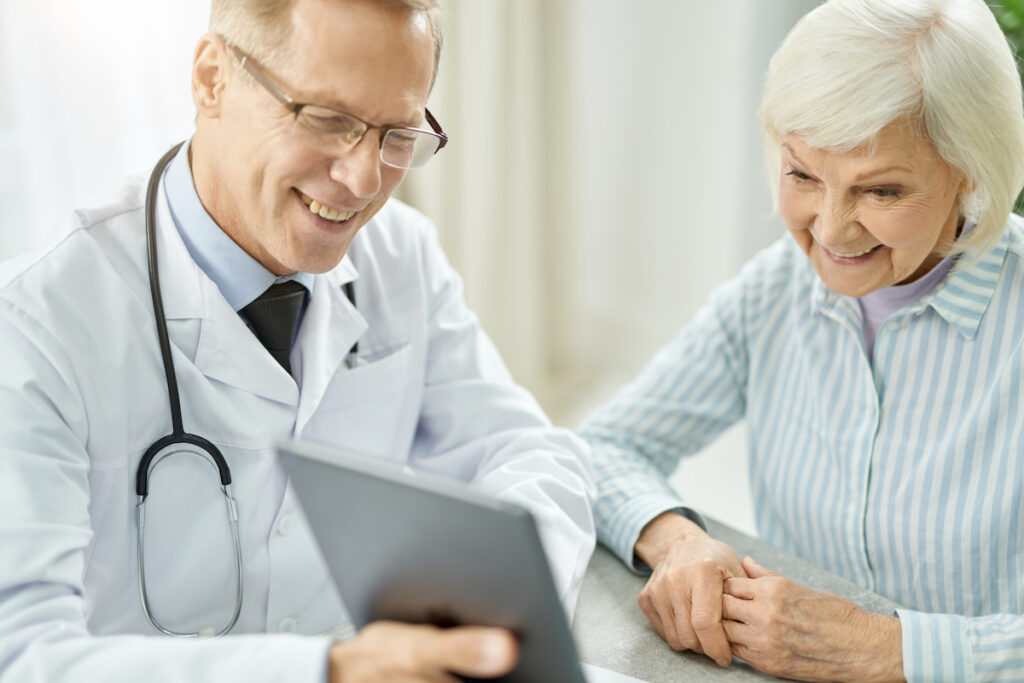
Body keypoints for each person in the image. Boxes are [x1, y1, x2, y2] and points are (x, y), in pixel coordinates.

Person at [0, 0, 596, 681]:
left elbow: (528, 451)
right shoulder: (34, 326)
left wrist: (492, 616)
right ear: (212, 78)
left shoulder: (399, 256)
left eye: (397, 134)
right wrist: (328, 670)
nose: (364, 180)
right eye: (330, 120)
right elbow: (21, 655)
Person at [580, 0, 1024, 681]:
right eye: (803, 175)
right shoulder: (776, 288)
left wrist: (892, 648)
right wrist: (676, 539)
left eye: (880, 190)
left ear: (972, 173)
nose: (833, 230)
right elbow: (604, 447)